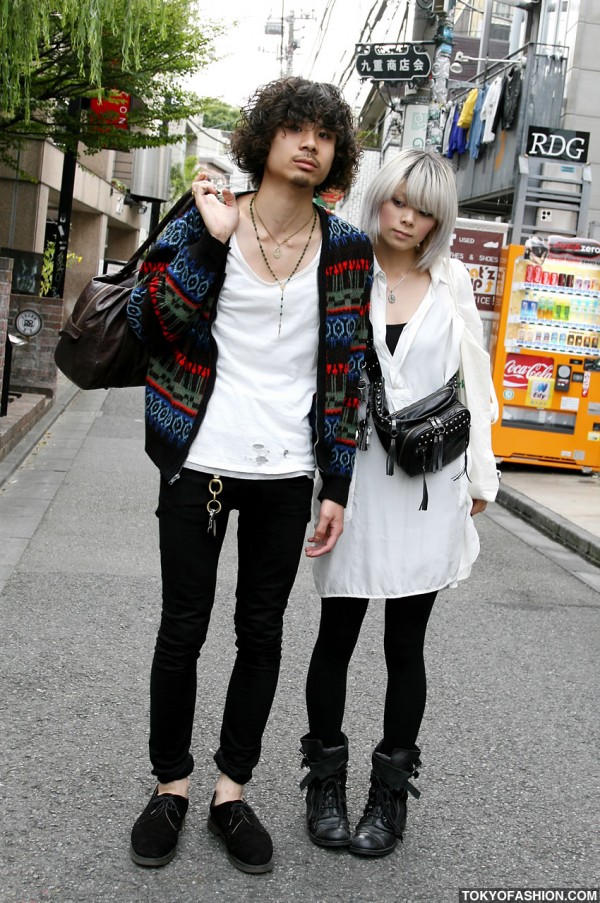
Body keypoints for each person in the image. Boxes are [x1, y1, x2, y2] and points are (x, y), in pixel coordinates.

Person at [125, 76, 372, 874]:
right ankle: (172, 784)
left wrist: (337, 484)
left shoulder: (347, 249)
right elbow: (150, 320)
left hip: (287, 470)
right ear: (264, 137)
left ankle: (232, 789)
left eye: (325, 134)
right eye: (295, 128)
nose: (310, 143)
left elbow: (347, 374)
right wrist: (208, 237)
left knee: (260, 633)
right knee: (182, 629)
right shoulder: (207, 217)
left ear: (337, 152)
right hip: (199, 459)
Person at [299, 148, 499, 858]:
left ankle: (388, 795)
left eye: (425, 208)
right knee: (337, 635)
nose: (408, 217)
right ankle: (325, 781)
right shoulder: (342, 271)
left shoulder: (451, 281)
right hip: (352, 488)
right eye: (399, 200)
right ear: (379, 198)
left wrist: (480, 476)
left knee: (404, 645)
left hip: (425, 490)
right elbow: (313, 374)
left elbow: (472, 382)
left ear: (438, 219)